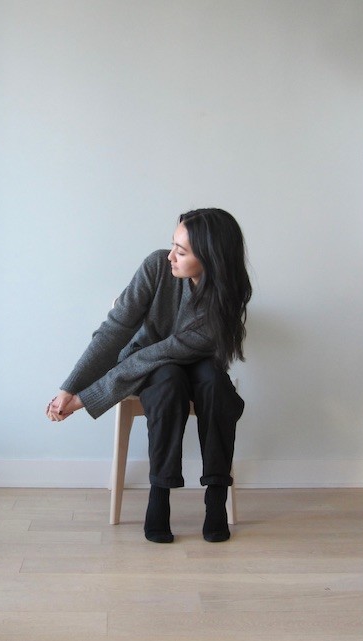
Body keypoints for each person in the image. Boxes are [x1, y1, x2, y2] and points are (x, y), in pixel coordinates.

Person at [47, 208, 252, 543]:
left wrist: (86, 399)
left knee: (215, 385)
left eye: (182, 252)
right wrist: (71, 388)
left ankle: (216, 495)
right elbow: (115, 331)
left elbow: (166, 350)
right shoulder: (157, 266)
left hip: (197, 362)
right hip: (153, 366)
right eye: (172, 245)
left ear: (212, 258)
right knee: (169, 380)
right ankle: (160, 494)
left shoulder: (224, 302)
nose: (171, 255)